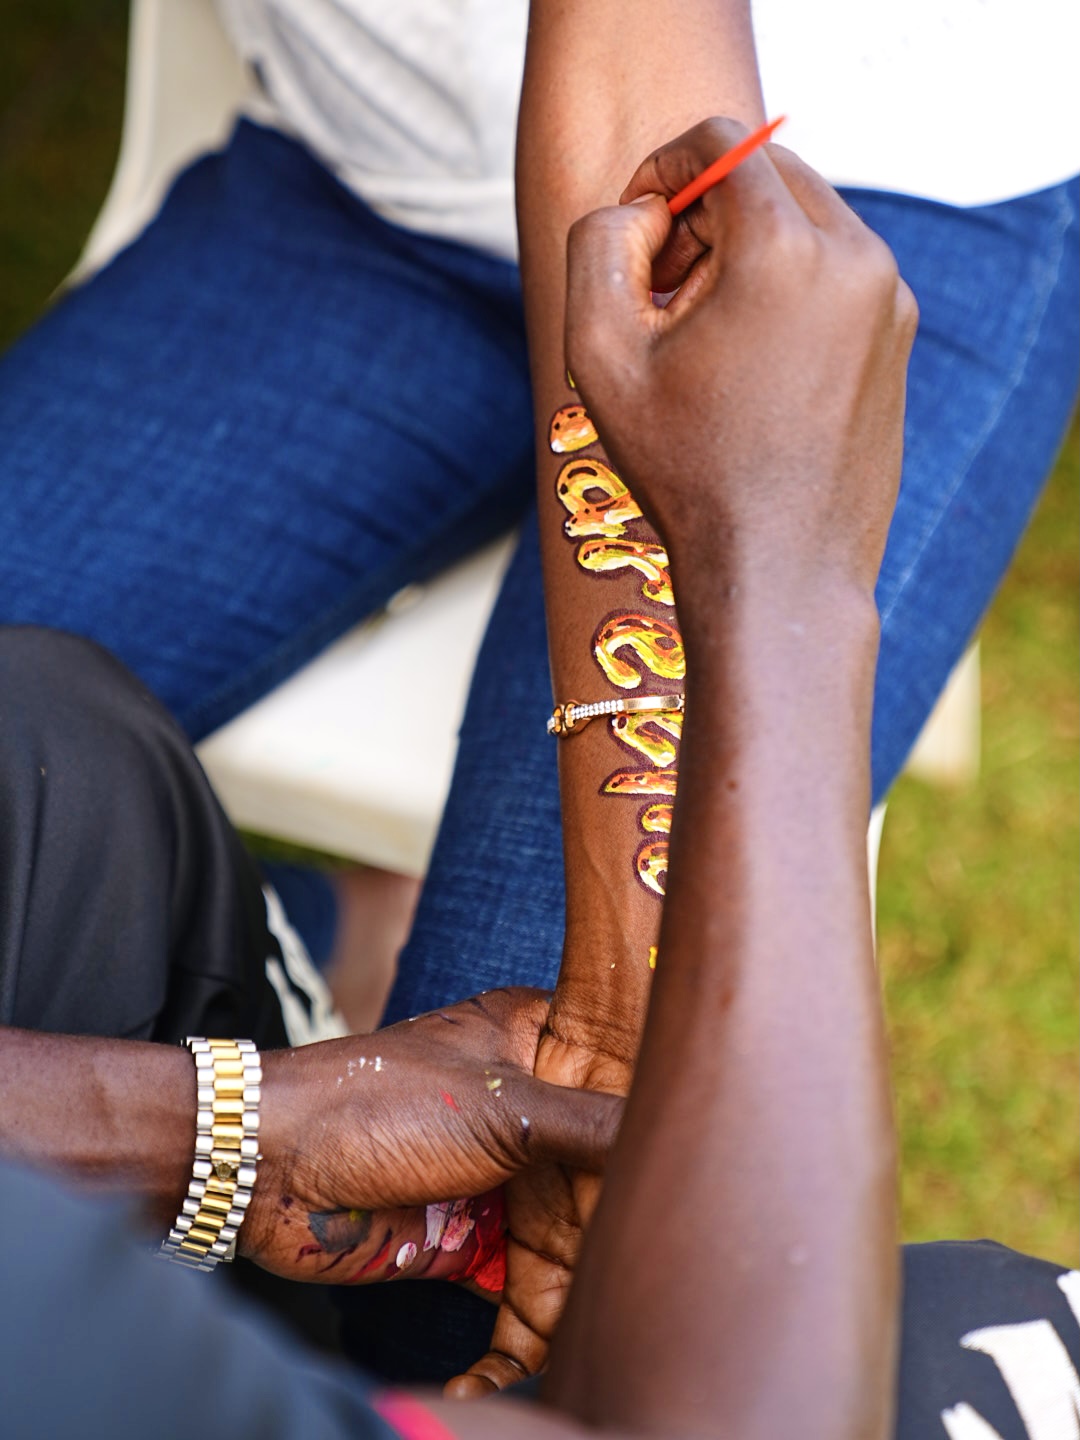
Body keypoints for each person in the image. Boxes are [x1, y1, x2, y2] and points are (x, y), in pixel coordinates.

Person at [4, 122, 1080, 1440]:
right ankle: (314, 949)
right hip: (381, 187)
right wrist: (781, 595)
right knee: (509, 1276)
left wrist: (228, 1131)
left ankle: (305, 938)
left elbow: (646, 111)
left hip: (841, 194)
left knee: (53, 751)